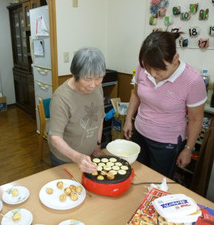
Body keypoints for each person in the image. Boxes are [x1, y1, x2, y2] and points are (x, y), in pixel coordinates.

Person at [123, 31, 207, 178]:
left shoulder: (193, 81)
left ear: (175, 58)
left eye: (159, 69)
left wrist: (188, 149)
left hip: (166, 142)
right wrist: (128, 119)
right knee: (136, 175)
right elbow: (135, 94)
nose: (152, 74)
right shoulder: (143, 67)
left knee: (157, 180)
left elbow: (196, 119)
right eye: (148, 68)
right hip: (140, 132)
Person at [48, 47, 106, 174]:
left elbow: (99, 118)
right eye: (88, 79)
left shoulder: (98, 88)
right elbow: (55, 137)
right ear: (75, 75)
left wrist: (97, 146)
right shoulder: (62, 98)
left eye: (98, 78)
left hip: (89, 155)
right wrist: (77, 157)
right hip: (65, 159)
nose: (93, 84)